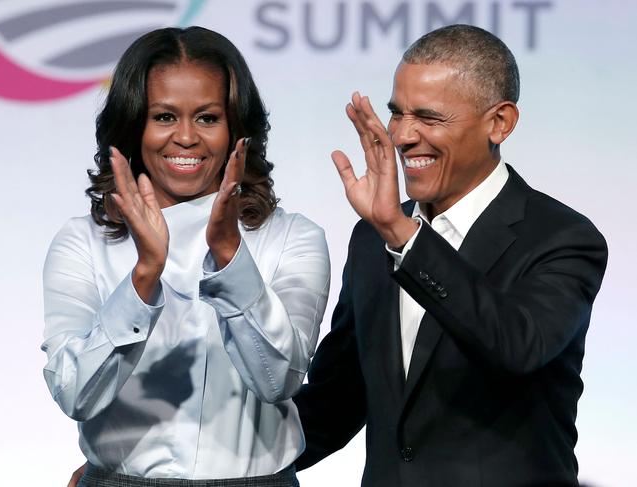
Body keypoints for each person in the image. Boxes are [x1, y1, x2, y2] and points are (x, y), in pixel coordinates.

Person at [293, 24, 608, 486]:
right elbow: (335, 401)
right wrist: (217, 463)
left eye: (429, 117)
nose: (401, 136)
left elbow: (516, 346)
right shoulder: (371, 238)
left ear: (499, 122)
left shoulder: (561, 237)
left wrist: (404, 236)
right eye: (396, 113)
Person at [42, 26, 330, 487]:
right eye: (164, 117)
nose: (186, 138)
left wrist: (230, 253)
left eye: (208, 118)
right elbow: (75, 394)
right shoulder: (82, 241)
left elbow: (279, 381)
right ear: (134, 125)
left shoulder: (293, 237)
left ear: (237, 128)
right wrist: (144, 276)